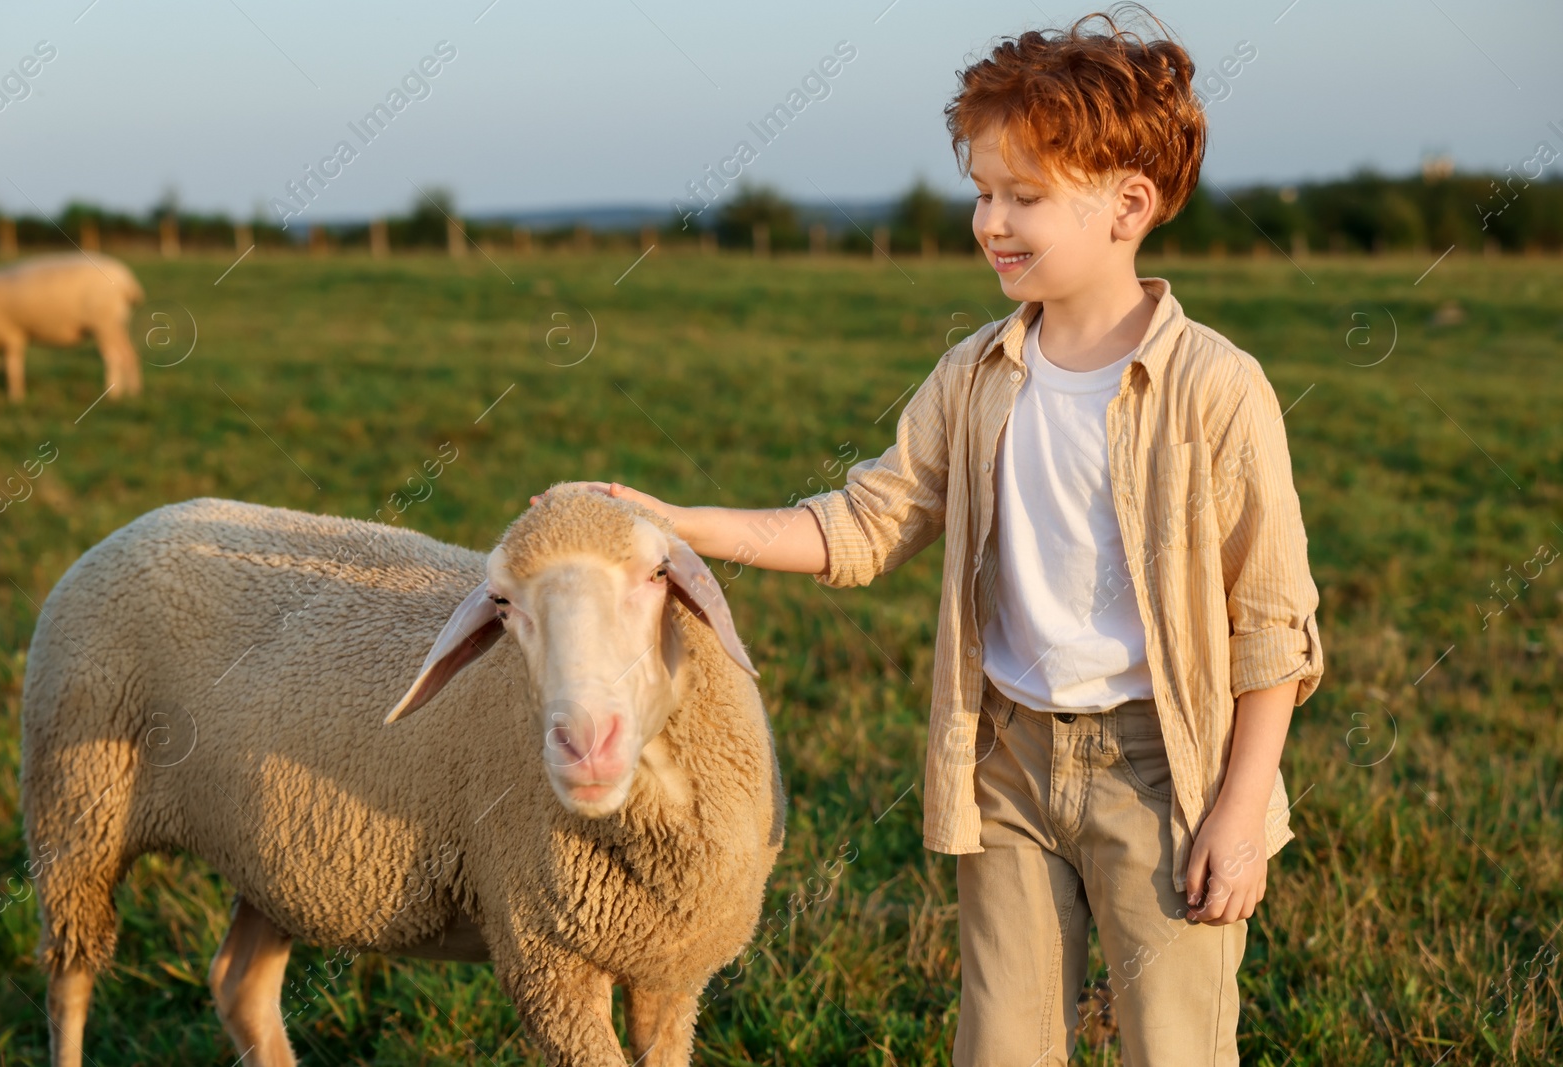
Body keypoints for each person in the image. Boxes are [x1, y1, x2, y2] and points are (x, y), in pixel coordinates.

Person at [540, 8, 1324, 1063]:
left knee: (1174, 1046)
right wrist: (686, 526)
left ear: (1129, 205)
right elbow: (864, 522)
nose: (989, 221)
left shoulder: (1217, 388)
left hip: (1163, 771)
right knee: (999, 1044)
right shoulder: (974, 376)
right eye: (981, 193)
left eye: (1023, 196)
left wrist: (1235, 812)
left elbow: (1271, 623)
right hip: (1003, 757)